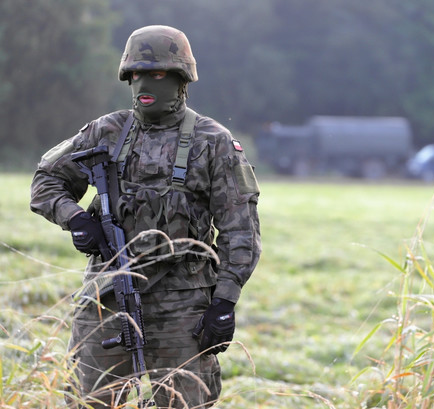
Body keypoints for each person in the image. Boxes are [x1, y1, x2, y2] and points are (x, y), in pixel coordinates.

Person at [30, 25, 261, 408]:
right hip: (107, 295)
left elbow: (241, 230)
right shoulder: (106, 131)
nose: (143, 85)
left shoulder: (213, 142)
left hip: (184, 309)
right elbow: (46, 180)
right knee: (89, 400)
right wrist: (75, 219)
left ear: (181, 79)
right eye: (135, 75)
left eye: (155, 74)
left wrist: (224, 304)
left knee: (184, 402)